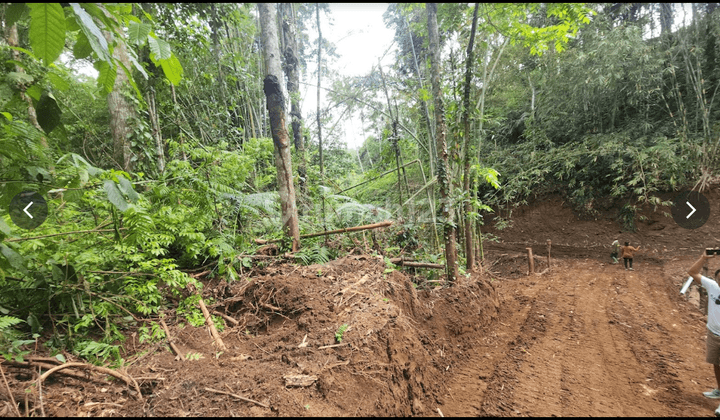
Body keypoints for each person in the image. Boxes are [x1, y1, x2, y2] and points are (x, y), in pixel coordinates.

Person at [688, 252, 720, 416]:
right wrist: (703, 259)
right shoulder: (713, 287)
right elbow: (692, 272)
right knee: (716, 363)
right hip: (713, 333)